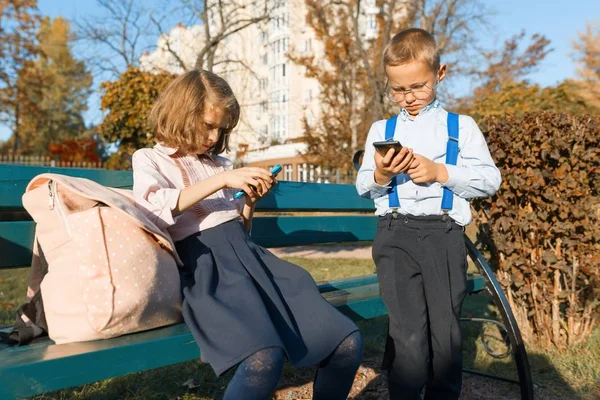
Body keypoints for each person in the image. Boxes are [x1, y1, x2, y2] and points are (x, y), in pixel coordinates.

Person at [132, 69, 362, 400]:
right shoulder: (150, 159)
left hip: (252, 262)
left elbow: (238, 230)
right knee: (263, 359)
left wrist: (249, 204)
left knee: (347, 343)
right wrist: (222, 181)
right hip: (206, 272)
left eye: (220, 129)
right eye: (208, 125)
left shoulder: (217, 163)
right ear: (181, 113)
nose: (213, 137)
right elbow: (152, 210)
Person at [356, 28, 502, 400]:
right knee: (406, 333)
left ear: (440, 73)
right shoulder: (381, 129)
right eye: (398, 89)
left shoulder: (461, 127)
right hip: (393, 235)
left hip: (443, 236)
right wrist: (382, 173)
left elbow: (489, 180)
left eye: (418, 87)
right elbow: (363, 186)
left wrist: (441, 173)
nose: (409, 98)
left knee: (445, 333)